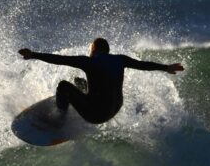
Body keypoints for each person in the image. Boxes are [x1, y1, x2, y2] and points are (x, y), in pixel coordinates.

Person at [18, 37, 183, 124]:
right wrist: (166, 67)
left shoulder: (89, 61)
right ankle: (79, 104)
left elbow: (59, 59)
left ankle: (60, 119)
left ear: (94, 50)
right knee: (79, 81)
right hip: (114, 109)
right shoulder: (120, 59)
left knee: (64, 86)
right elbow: (143, 65)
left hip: (95, 114)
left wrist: (34, 55)